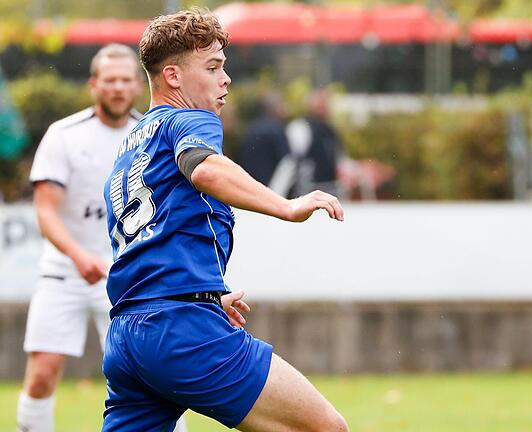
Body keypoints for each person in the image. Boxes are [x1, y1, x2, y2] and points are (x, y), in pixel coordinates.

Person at [101, 8, 348, 432]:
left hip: (128, 336)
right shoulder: (190, 118)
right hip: (180, 330)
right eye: (213, 67)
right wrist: (286, 206)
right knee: (325, 428)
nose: (225, 78)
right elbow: (205, 168)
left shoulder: (130, 149)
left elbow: (151, 241)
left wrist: (207, 295)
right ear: (174, 76)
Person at [15, 44, 149, 432]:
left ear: (137, 86)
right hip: (65, 272)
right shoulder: (64, 135)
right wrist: (78, 256)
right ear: (94, 85)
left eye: (126, 80)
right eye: (110, 80)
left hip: (130, 280)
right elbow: (45, 211)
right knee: (42, 374)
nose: (118, 88)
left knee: (149, 378)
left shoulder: (151, 136)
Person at [237, 92, 290, 185]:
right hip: (272, 187)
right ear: (275, 108)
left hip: (251, 184)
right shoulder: (276, 129)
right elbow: (286, 163)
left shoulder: (251, 128)